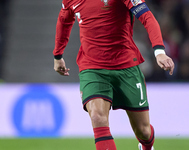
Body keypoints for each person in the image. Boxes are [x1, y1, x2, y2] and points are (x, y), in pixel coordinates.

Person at [53, 0, 174, 150]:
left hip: (126, 67)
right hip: (92, 68)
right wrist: (58, 55)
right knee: (97, 116)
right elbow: (64, 20)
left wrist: (159, 52)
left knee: (144, 131)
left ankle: (146, 146)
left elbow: (147, 17)